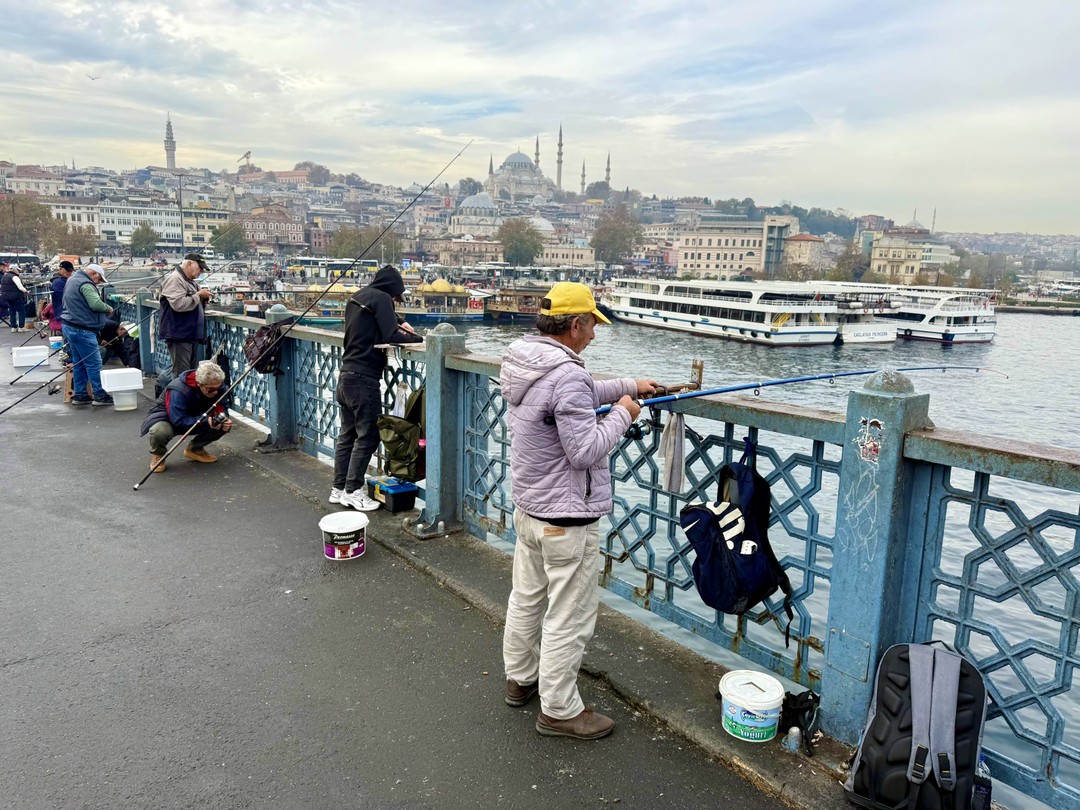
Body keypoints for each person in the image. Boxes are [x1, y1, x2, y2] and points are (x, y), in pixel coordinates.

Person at [500, 282, 657, 741]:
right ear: (575, 324)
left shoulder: (526, 359)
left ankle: (520, 679)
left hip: (530, 509)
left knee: (526, 599)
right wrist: (624, 413)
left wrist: (628, 386)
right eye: (591, 326)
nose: (594, 335)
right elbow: (585, 450)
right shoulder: (565, 373)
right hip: (566, 519)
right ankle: (560, 709)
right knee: (568, 615)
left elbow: (575, 393)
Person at [331, 264, 422, 511]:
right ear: (392, 290)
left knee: (347, 436)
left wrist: (400, 321)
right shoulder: (382, 297)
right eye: (396, 297)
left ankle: (339, 488)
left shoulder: (358, 297)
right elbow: (392, 334)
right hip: (364, 379)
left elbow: (381, 321)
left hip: (346, 376)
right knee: (368, 436)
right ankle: (353, 490)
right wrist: (419, 338)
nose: (394, 301)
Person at [139, 360, 232, 473]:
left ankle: (195, 449)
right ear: (199, 384)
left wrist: (223, 419)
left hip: (198, 415)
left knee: (223, 424)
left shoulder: (217, 386)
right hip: (170, 418)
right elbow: (179, 421)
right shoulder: (178, 389)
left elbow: (223, 407)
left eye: (219, 387)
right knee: (158, 431)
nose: (216, 392)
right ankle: (159, 453)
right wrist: (207, 421)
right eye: (211, 390)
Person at [60, 263, 114, 406]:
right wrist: (108, 308)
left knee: (79, 363)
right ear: (93, 274)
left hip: (70, 326)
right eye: (99, 279)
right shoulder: (86, 284)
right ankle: (99, 394)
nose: (99, 282)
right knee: (94, 363)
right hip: (82, 329)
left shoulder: (72, 279)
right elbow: (95, 304)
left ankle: (80, 395)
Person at [159, 253, 211, 383]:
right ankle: (176, 401)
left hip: (189, 334)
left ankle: (185, 401)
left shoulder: (190, 281)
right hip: (179, 334)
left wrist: (203, 297)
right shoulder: (175, 279)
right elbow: (178, 304)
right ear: (189, 264)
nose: (201, 272)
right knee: (181, 374)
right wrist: (199, 295)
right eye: (200, 268)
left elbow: (194, 301)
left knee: (190, 373)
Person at [1, 261, 29, 332]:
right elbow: (20, 287)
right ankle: (21, 327)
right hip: (16, 297)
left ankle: (13, 327)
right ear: (14, 269)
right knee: (21, 311)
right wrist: (26, 291)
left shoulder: (5, 276)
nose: (18, 271)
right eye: (17, 270)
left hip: (7, 297)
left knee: (12, 312)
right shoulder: (14, 277)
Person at [48, 261, 75, 334]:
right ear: (61, 269)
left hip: (63, 313)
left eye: (71, 271)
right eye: (68, 271)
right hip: (63, 313)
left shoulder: (61, 281)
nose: (70, 273)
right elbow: (63, 298)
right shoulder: (59, 282)